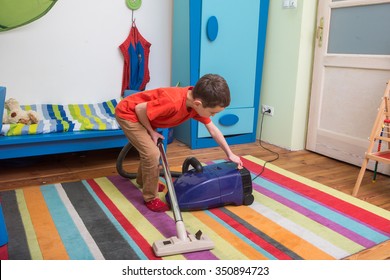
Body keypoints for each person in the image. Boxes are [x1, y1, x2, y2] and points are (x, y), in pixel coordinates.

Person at [115, 74, 243, 212]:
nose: (213, 116)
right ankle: (151, 198)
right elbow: (140, 109)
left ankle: (144, 181)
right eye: (212, 112)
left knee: (152, 151)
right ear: (198, 104)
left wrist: (230, 154)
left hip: (144, 114)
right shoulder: (173, 102)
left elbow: (213, 130)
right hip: (129, 114)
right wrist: (151, 132)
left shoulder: (195, 104)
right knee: (152, 152)